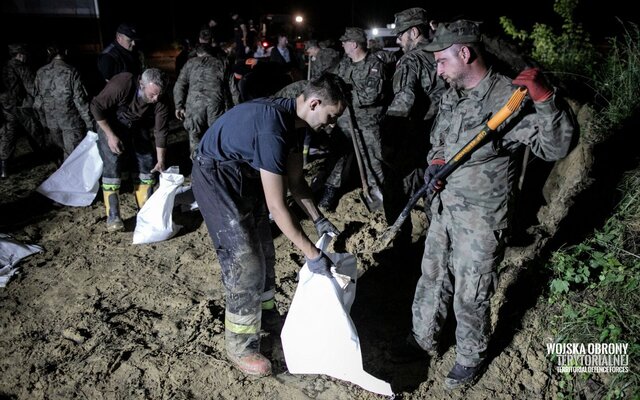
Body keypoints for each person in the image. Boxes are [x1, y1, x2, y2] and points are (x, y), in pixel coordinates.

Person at [391, 20, 577, 390]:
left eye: (442, 61)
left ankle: (469, 355)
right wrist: (436, 162)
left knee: (471, 290)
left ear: (465, 53)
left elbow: (555, 147)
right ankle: (422, 338)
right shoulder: (452, 93)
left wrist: (545, 100)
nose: (438, 70)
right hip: (443, 208)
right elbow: (440, 140)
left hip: (480, 217)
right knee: (432, 276)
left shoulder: (508, 100)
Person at [191, 73, 349, 377]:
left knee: (266, 250)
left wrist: (318, 219)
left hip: (243, 174)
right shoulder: (272, 127)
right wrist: (312, 254)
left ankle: (266, 316)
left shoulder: (296, 123)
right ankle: (240, 344)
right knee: (245, 260)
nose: (331, 125)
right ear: (314, 103)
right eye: (331, 116)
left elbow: (296, 182)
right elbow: (278, 206)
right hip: (216, 178)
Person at [381, 7, 445, 247]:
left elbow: (403, 103)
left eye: (400, 35)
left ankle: (400, 244)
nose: (398, 40)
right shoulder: (444, 52)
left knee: (394, 186)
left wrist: (388, 138)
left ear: (414, 31)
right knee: (435, 187)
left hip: (420, 135)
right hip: (450, 136)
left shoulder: (411, 59)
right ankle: (437, 239)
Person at [90, 68, 170, 232]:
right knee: (113, 163)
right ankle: (113, 215)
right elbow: (96, 107)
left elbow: (161, 131)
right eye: (152, 95)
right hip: (111, 123)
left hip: (137, 125)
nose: (155, 99)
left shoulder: (161, 99)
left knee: (147, 162)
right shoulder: (123, 83)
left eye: (158, 95)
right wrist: (110, 135)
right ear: (142, 84)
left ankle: (145, 210)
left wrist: (161, 160)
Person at [318, 27, 388, 211]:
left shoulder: (374, 64)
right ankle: (329, 195)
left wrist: (346, 95)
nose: (342, 44)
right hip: (344, 122)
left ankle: (377, 198)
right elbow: (333, 86)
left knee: (372, 161)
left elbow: (371, 95)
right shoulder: (344, 64)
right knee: (336, 159)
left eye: (345, 41)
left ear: (354, 44)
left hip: (367, 125)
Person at [34, 44, 94, 164]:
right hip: (71, 123)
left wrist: (43, 121)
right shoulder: (71, 71)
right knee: (74, 157)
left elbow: (38, 101)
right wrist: (89, 123)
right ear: (66, 52)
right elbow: (79, 99)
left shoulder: (41, 72)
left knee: (60, 154)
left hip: (51, 122)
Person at [174, 43, 232, 159]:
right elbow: (232, 87)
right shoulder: (222, 63)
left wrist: (179, 105)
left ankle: (198, 169)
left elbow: (180, 84)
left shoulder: (190, 63)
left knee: (195, 138)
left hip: (195, 106)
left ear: (198, 53)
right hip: (215, 105)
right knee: (216, 138)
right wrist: (236, 108)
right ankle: (215, 168)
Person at [0, 43, 44, 178]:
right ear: (20, 54)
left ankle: (4, 168)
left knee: (7, 135)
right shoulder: (20, 66)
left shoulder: (4, 67)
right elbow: (31, 87)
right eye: (24, 55)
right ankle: (43, 156)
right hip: (21, 106)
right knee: (35, 130)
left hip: (5, 106)